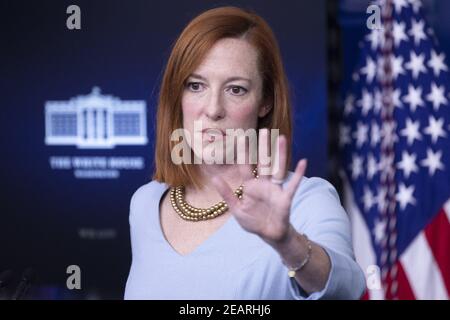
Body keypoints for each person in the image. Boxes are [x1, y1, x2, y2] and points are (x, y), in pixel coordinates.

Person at [124, 6, 366, 300]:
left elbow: (346, 288)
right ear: (178, 95)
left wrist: (287, 242)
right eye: (196, 85)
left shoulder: (307, 200)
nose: (213, 110)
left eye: (235, 89)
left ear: (265, 102)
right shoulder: (145, 203)